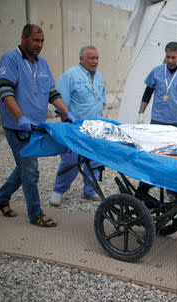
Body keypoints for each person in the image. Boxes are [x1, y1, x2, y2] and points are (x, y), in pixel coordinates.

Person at [0, 24, 76, 227]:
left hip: (36, 128)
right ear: (23, 38)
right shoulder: (10, 59)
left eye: (42, 41)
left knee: (23, 168)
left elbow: (52, 94)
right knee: (30, 170)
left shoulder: (43, 63)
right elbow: (5, 93)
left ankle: (1, 198)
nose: (39, 45)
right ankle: (35, 214)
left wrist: (66, 112)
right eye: (35, 40)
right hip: (16, 127)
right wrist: (20, 117)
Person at [136, 41, 177, 200]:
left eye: (173, 57)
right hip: (157, 121)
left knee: (175, 157)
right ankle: (143, 188)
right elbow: (147, 93)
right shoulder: (157, 72)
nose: (170, 60)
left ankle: (172, 190)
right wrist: (141, 113)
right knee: (154, 156)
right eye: (167, 57)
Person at [50, 45, 107, 206]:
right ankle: (58, 191)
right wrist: (67, 131)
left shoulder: (100, 77)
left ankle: (90, 191)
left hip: (95, 128)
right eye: (91, 58)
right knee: (70, 161)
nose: (95, 61)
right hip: (75, 129)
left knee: (94, 161)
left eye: (97, 58)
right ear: (81, 59)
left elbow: (102, 99)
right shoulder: (70, 76)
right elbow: (62, 105)